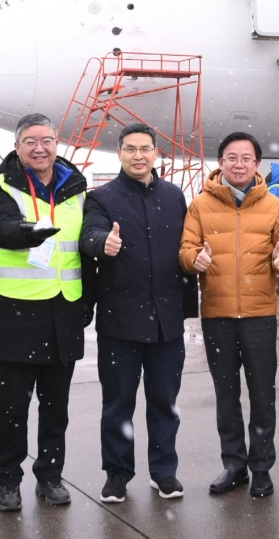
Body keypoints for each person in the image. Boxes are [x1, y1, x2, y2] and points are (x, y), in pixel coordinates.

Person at [80, 123, 197, 503]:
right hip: (120, 319)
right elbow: (89, 235)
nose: (138, 156)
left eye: (145, 148)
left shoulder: (174, 196)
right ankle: (117, 474)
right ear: (119, 153)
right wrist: (103, 242)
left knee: (165, 402)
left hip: (167, 320)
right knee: (118, 404)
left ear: (156, 153)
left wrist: (189, 300)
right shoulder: (101, 198)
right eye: (130, 149)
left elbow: (186, 246)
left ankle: (164, 472)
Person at [179, 131, 279, 498]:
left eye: (247, 158)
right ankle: (234, 465)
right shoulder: (200, 205)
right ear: (221, 163)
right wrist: (193, 260)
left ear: (257, 164)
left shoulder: (274, 206)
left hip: (260, 314)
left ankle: (261, 468)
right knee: (226, 394)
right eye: (232, 157)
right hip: (217, 314)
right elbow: (186, 249)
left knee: (263, 394)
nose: (239, 164)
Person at [0, 113, 90, 511]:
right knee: (12, 407)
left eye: (46, 140)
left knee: (55, 407)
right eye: (30, 141)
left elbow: (85, 248)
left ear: (56, 144)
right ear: (17, 147)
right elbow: (2, 228)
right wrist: (29, 232)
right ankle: (7, 480)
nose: (39, 148)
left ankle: (50, 475)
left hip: (63, 312)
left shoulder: (76, 189)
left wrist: (87, 303)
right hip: (17, 313)